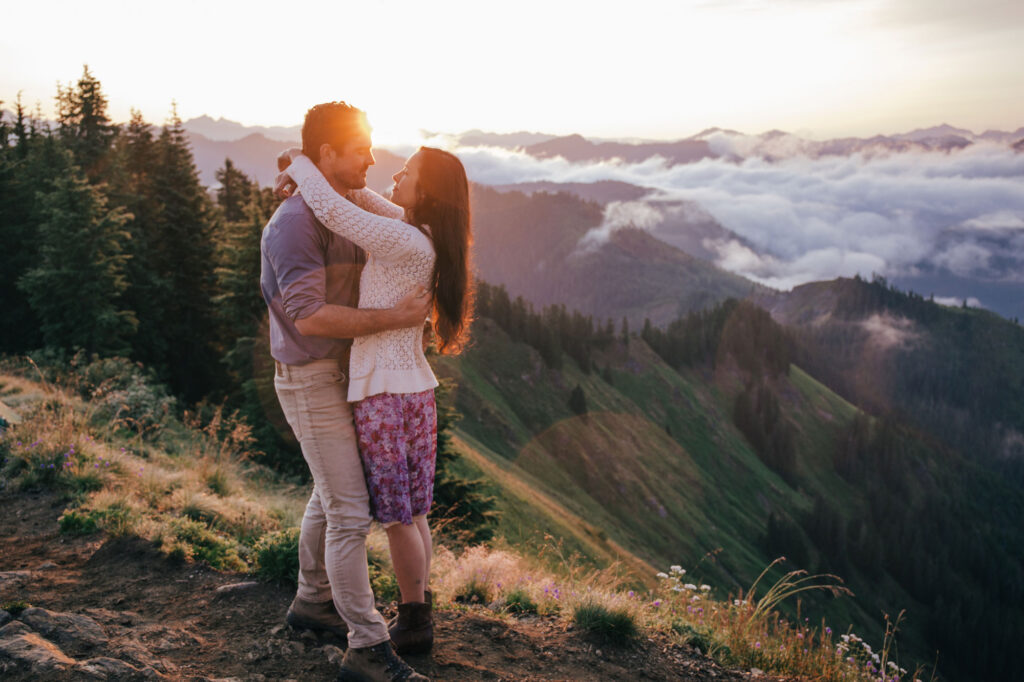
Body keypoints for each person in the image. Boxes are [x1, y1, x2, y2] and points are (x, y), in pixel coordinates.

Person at [276, 140, 473, 656]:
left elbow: (338, 211)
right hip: (415, 392)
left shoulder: (405, 242)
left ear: (425, 191)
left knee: (397, 517)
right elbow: (361, 200)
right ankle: (419, 607)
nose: (394, 175)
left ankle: (412, 620)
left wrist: (296, 163)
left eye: (406, 172)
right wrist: (320, 170)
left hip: (384, 395)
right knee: (416, 512)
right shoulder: (420, 235)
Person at [260, 101, 432, 682]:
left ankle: (312, 602)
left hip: (347, 374)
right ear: (327, 153)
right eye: (360, 147)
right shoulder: (295, 224)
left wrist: (296, 162)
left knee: (331, 495)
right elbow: (307, 316)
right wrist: (394, 318)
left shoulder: (345, 207)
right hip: (311, 376)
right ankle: (366, 646)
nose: (372, 156)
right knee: (350, 514)